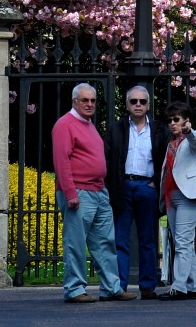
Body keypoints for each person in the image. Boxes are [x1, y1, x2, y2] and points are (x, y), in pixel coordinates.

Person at [51, 83, 137, 303]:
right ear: (74, 101)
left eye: (92, 100)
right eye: (84, 100)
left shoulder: (88, 125)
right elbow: (61, 162)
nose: (89, 104)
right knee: (76, 243)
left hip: (98, 191)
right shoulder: (65, 125)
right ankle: (74, 289)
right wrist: (70, 193)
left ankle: (111, 288)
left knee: (105, 242)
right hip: (78, 192)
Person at [105, 84, 169, 299]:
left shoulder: (159, 129)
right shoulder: (116, 128)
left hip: (147, 186)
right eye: (134, 101)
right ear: (127, 105)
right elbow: (107, 158)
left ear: (149, 105)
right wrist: (113, 185)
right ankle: (120, 286)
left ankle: (148, 286)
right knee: (120, 239)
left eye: (142, 101)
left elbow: (167, 160)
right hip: (123, 186)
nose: (138, 105)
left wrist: (156, 183)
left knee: (148, 238)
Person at [158, 101, 196, 301]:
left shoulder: (194, 138)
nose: (173, 123)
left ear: (186, 121)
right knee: (183, 243)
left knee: (181, 241)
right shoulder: (171, 144)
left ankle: (178, 287)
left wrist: (188, 131)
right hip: (172, 197)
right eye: (170, 120)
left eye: (176, 120)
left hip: (189, 195)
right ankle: (193, 286)